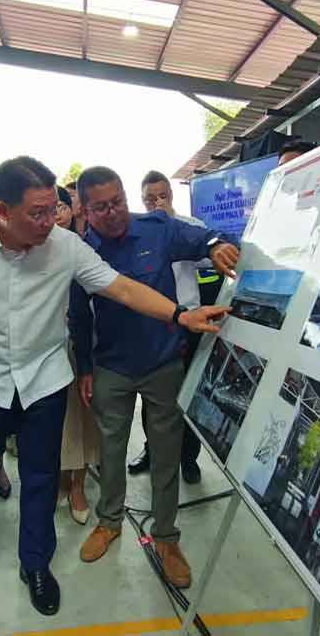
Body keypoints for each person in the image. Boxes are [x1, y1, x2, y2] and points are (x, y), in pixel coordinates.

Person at [0, 156, 228, 617]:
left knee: (43, 477)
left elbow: (120, 288)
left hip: (44, 380)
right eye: (37, 213)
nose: (50, 221)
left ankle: (36, 563)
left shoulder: (66, 246)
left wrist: (179, 315)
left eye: (53, 209)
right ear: (3, 211)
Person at [72, 166, 240, 590]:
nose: (113, 213)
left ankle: (166, 537)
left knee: (166, 453)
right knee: (111, 451)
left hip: (163, 362)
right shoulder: (81, 251)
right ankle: (109, 522)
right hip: (112, 366)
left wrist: (217, 243)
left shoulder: (157, 228)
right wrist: (87, 369)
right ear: (85, 210)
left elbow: (200, 238)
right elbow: (78, 315)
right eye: (100, 207)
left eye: (118, 201)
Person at [126, 171, 206, 484]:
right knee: (153, 398)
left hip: (191, 321)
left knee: (188, 393)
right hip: (154, 324)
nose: (158, 202)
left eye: (163, 196)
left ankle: (189, 458)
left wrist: (175, 226)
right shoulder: (137, 233)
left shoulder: (193, 227)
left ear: (171, 194)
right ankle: (152, 450)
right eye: (150, 199)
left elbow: (209, 262)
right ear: (142, 201)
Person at [55, 185, 100, 525]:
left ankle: (79, 486)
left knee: (82, 421)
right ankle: (60, 480)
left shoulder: (82, 250)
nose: (53, 215)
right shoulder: (25, 251)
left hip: (79, 348)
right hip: (41, 354)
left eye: (59, 206)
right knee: (53, 423)